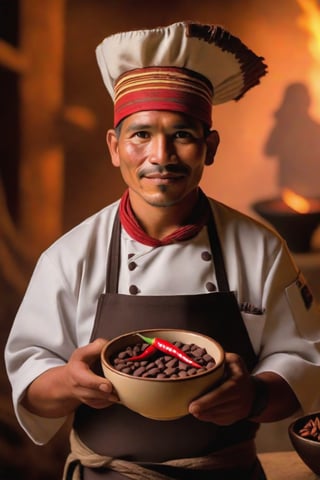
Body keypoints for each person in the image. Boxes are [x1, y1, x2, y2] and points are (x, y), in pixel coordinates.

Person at [5, 21, 320, 480]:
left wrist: (252, 396)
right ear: (115, 147)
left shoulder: (262, 250)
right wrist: (70, 383)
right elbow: (31, 385)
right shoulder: (69, 256)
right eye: (140, 135)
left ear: (209, 147)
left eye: (183, 135)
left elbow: (303, 361)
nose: (161, 155)